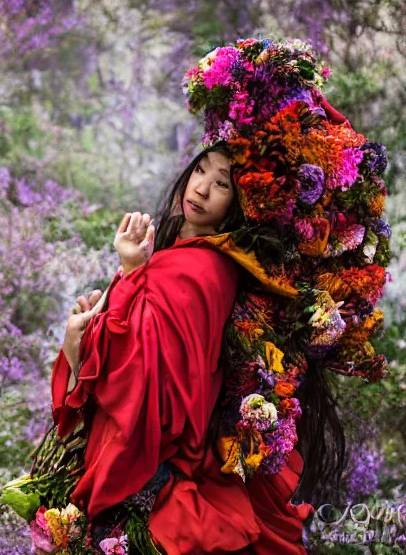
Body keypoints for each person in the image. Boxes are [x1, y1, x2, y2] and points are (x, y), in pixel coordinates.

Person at [45, 141, 315, 555]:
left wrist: (129, 277)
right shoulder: (179, 253)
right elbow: (139, 339)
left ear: (237, 205)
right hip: (130, 454)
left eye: (221, 184)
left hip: (147, 466)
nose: (201, 189)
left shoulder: (205, 269)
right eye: (200, 170)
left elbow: (141, 374)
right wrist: (93, 321)